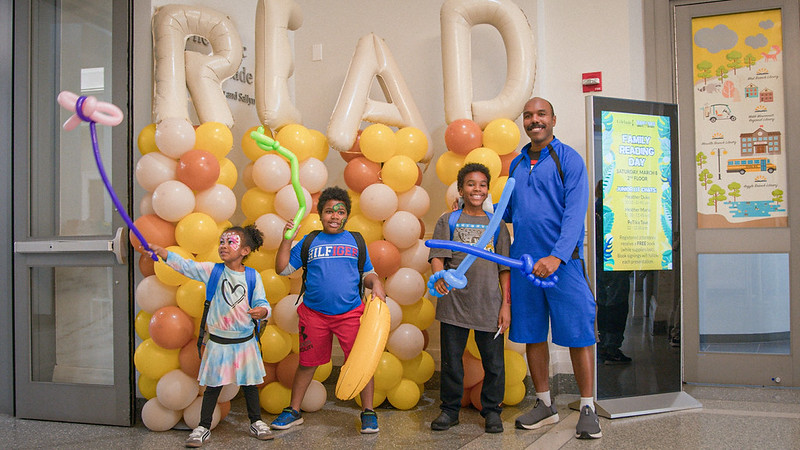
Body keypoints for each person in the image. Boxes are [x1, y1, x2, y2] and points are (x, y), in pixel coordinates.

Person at [503, 97, 602, 439]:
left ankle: (587, 407)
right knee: (532, 334)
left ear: (553, 119)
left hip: (563, 265)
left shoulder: (568, 159)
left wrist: (557, 257)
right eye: (528, 116)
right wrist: (472, 204)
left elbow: (576, 214)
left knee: (579, 334)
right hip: (525, 266)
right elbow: (508, 213)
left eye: (540, 114)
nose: (534, 120)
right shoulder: (517, 164)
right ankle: (545, 404)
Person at [270, 186, 387, 434]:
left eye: (340, 212)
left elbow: (367, 274)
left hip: (350, 314)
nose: (334, 216)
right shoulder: (310, 241)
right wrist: (287, 239)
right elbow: (282, 269)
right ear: (320, 214)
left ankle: (368, 411)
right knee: (307, 364)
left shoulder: (355, 241)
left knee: (360, 363)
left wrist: (376, 283)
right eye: (328, 212)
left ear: (346, 216)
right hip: (314, 315)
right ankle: (294, 411)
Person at [148, 225, 273, 447]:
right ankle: (203, 426)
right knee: (213, 387)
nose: (223, 246)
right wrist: (163, 253)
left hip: (245, 342)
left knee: (250, 384)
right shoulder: (212, 271)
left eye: (230, 242)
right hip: (218, 342)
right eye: (222, 242)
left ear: (244, 250)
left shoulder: (253, 276)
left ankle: (256, 422)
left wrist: (262, 311)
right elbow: (186, 266)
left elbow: (262, 301)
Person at [428, 163, 511, 434]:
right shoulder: (448, 220)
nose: (477, 189)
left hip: (488, 304)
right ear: (461, 188)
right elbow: (438, 256)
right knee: (452, 361)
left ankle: (491, 411)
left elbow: (505, 268)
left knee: (494, 364)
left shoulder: (496, 225)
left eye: (482, 184)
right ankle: (449, 410)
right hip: (454, 304)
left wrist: (505, 304)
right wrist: (439, 277)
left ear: (488, 190)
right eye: (471, 184)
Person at [594, 181, 632, 364]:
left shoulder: (594, 209)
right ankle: (611, 348)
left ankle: (603, 346)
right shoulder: (614, 211)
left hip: (601, 265)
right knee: (617, 306)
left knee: (603, 305)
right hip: (616, 264)